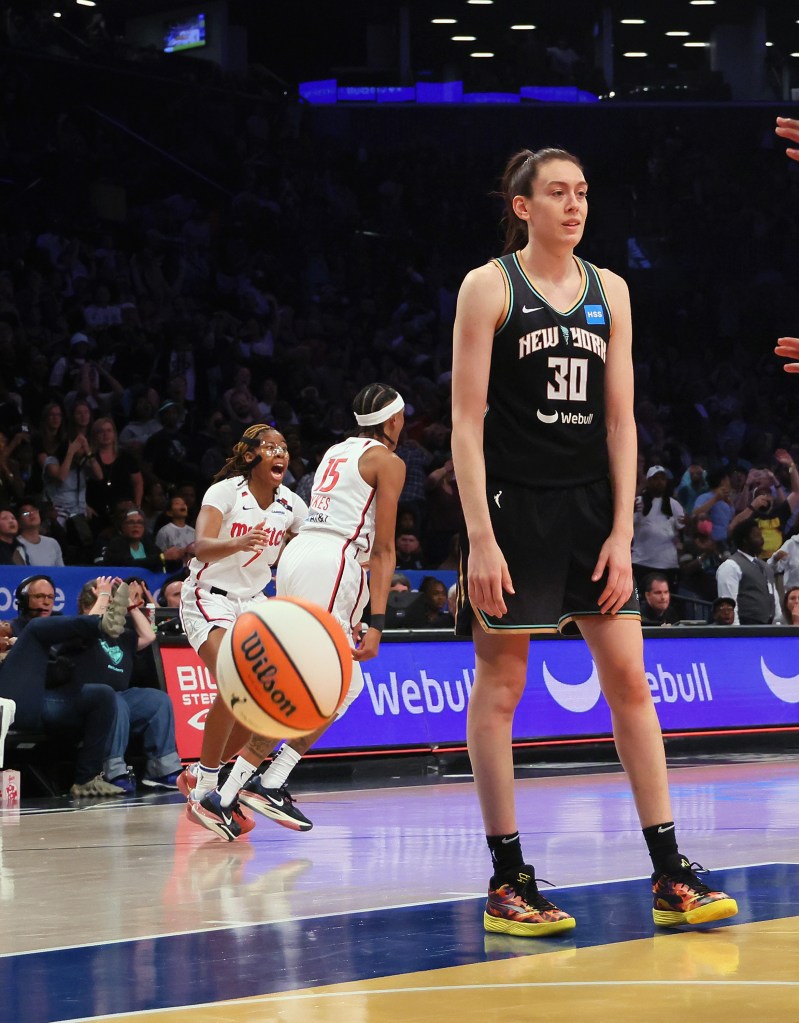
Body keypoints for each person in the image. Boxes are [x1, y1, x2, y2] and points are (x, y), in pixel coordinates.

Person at [450, 146, 736, 937]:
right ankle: (507, 880)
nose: (573, 206)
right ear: (522, 206)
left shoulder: (611, 289)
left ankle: (669, 872)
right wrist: (479, 536)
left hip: (589, 512)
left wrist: (619, 531)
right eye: (555, 193)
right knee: (500, 689)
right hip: (512, 509)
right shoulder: (488, 286)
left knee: (631, 685)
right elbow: (465, 424)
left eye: (581, 193)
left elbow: (620, 420)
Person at [223, 383, 407, 835]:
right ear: (393, 421)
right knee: (325, 683)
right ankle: (248, 785)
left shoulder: (336, 451)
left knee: (344, 684)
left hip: (299, 555)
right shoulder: (390, 461)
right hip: (332, 563)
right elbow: (383, 550)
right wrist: (377, 623)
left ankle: (243, 787)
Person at [179, 424, 308, 840]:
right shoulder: (225, 492)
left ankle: (208, 774)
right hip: (209, 596)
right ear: (251, 455)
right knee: (235, 683)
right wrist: (238, 544)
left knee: (262, 701)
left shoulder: (290, 503)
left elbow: (311, 545)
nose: (280, 453)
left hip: (253, 602)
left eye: (284, 447)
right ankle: (203, 789)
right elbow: (200, 546)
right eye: (270, 446)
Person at [0, 574, 130, 796]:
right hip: (11, 704)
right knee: (35, 630)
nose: (46, 601)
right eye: (39, 596)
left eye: (50, 597)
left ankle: (87, 779)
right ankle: (100, 623)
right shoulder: (13, 627)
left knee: (102, 695)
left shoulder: (59, 625)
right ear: (22, 600)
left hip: (47, 704)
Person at [75, 578, 182, 792]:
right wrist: (104, 596)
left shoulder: (121, 636)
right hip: (86, 701)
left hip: (119, 697)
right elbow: (87, 625)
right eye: (110, 606)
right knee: (113, 700)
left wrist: (131, 605)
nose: (115, 612)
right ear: (88, 607)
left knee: (157, 700)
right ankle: (111, 771)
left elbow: (149, 635)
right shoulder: (80, 632)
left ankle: (162, 770)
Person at [716, 518, 781, 625]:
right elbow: (728, 606)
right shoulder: (731, 566)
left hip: (769, 629)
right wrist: (736, 634)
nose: (762, 540)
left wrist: (778, 625)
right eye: (757, 536)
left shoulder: (766, 567)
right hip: (746, 628)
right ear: (745, 540)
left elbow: (775, 600)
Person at [631, 466, 685, 592]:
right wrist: (629, 512)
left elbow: (684, 528)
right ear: (648, 481)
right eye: (655, 478)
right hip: (641, 562)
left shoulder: (674, 504)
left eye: (662, 478)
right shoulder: (638, 502)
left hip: (667, 564)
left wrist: (690, 523)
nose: (659, 482)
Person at [16, 501, 64, 566]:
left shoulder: (52, 543)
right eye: (25, 513)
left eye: (34, 510)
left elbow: (60, 570)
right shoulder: (16, 544)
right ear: (18, 522)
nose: (31, 514)